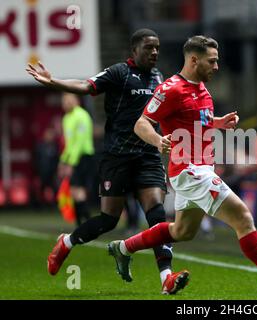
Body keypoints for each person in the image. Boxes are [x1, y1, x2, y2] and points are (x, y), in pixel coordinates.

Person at [107, 35, 257, 299]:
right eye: (212, 61)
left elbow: (195, 119)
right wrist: (159, 140)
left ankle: (123, 248)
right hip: (189, 170)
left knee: (181, 231)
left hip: (201, 168)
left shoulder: (202, 88)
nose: (217, 67)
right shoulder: (170, 89)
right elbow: (141, 123)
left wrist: (218, 122)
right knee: (242, 216)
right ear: (194, 60)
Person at [26, 29, 184, 294]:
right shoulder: (119, 73)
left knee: (157, 213)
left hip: (147, 156)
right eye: (148, 48)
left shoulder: (159, 77)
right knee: (109, 220)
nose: (155, 52)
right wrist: (54, 82)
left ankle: (166, 278)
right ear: (134, 50)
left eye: (157, 47)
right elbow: (87, 86)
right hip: (117, 157)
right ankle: (67, 242)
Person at [58, 93, 95, 225]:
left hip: (84, 157)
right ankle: (81, 223)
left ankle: (86, 223)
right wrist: (63, 160)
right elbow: (69, 144)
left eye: (69, 100)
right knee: (74, 191)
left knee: (79, 190)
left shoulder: (82, 116)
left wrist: (71, 164)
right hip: (73, 158)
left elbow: (79, 143)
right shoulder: (66, 118)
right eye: (64, 101)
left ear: (76, 101)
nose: (66, 103)